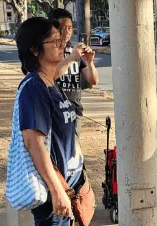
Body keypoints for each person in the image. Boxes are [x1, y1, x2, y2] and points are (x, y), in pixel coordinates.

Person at [14, 17, 88, 226]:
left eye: (62, 39)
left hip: (63, 181)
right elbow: (34, 141)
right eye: (54, 41)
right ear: (34, 49)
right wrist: (57, 190)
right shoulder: (34, 88)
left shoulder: (47, 82)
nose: (62, 44)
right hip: (52, 186)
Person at [48, 8, 99, 136]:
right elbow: (51, 76)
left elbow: (93, 80)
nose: (66, 32)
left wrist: (89, 62)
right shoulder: (49, 51)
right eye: (62, 27)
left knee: (73, 153)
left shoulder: (75, 51)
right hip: (53, 111)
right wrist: (72, 57)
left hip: (74, 111)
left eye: (70, 28)